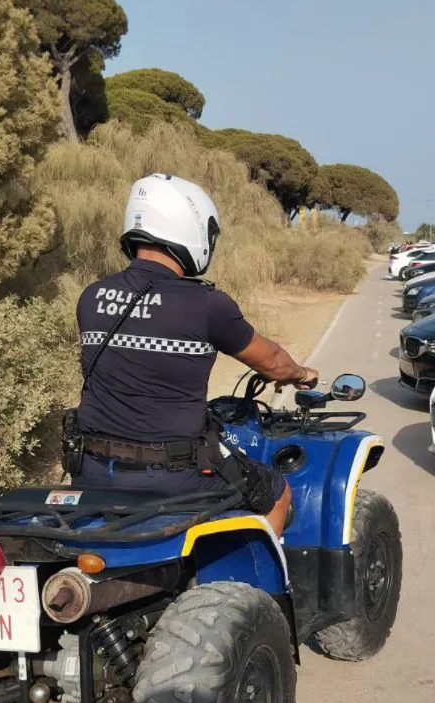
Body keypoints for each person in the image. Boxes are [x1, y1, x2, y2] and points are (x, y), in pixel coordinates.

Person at [71, 174, 317, 533]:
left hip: (91, 467)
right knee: (277, 493)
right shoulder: (206, 305)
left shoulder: (91, 296)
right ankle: (259, 590)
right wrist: (301, 374)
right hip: (172, 475)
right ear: (190, 229)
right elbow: (274, 362)